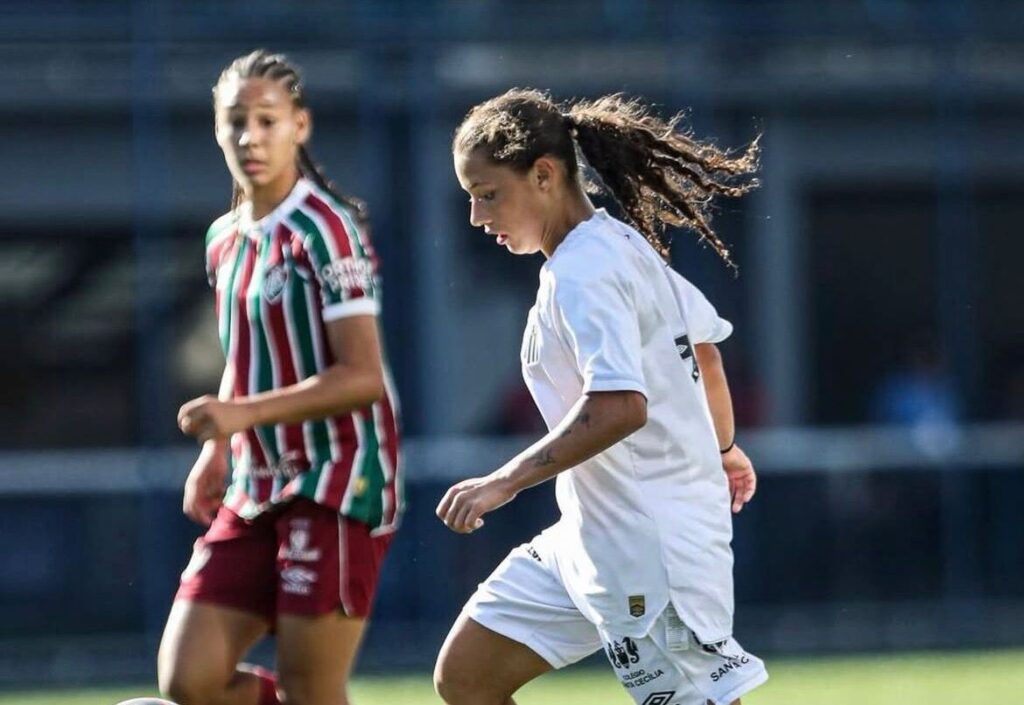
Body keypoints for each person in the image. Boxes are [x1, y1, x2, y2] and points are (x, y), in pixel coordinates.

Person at [434, 89, 766, 705]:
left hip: (650, 548)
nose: (478, 218)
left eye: (487, 195)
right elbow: (705, 353)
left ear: (543, 174)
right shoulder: (613, 245)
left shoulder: (584, 272)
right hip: (587, 535)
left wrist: (504, 480)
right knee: (468, 677)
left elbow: (621, 405)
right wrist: (722, 448)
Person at [157, 50, 402, 705]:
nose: (250, 137)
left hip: (337, 482)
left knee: (311, 686)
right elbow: (246, 355)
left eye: (267, 121)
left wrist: (239, 417)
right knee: (187, 680)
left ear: (300, 126)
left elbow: (363, 377)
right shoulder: (224, 239)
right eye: (236, 121)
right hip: (255, 482)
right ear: (216, 129)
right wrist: (217, 449)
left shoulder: (327, 230)